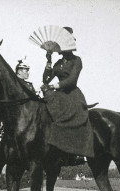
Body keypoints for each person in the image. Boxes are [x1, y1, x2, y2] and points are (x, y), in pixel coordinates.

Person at [41, 27, 94, 166]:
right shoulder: (58, 63)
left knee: (71, 116)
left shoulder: (76, 60)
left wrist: (53, 86)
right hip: (59, 94)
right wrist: (48, 61)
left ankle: (74, 152)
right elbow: (46, 79)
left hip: (72, 94)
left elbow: (72, 81)